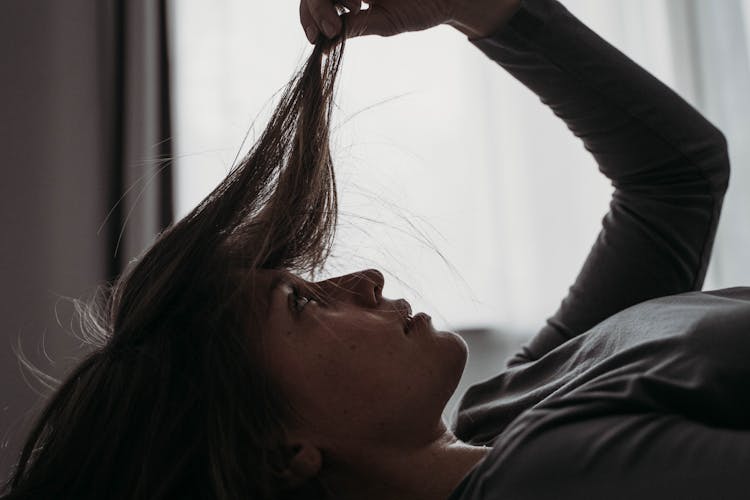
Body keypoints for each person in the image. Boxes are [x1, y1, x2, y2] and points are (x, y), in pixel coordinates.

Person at [2, 0, 747, 499]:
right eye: (301, 301)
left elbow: (675, 177)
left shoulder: (507, 410)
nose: (363, 278)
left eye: (310, 280)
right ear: (283, 452)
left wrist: (477, 8)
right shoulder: (541, 477)